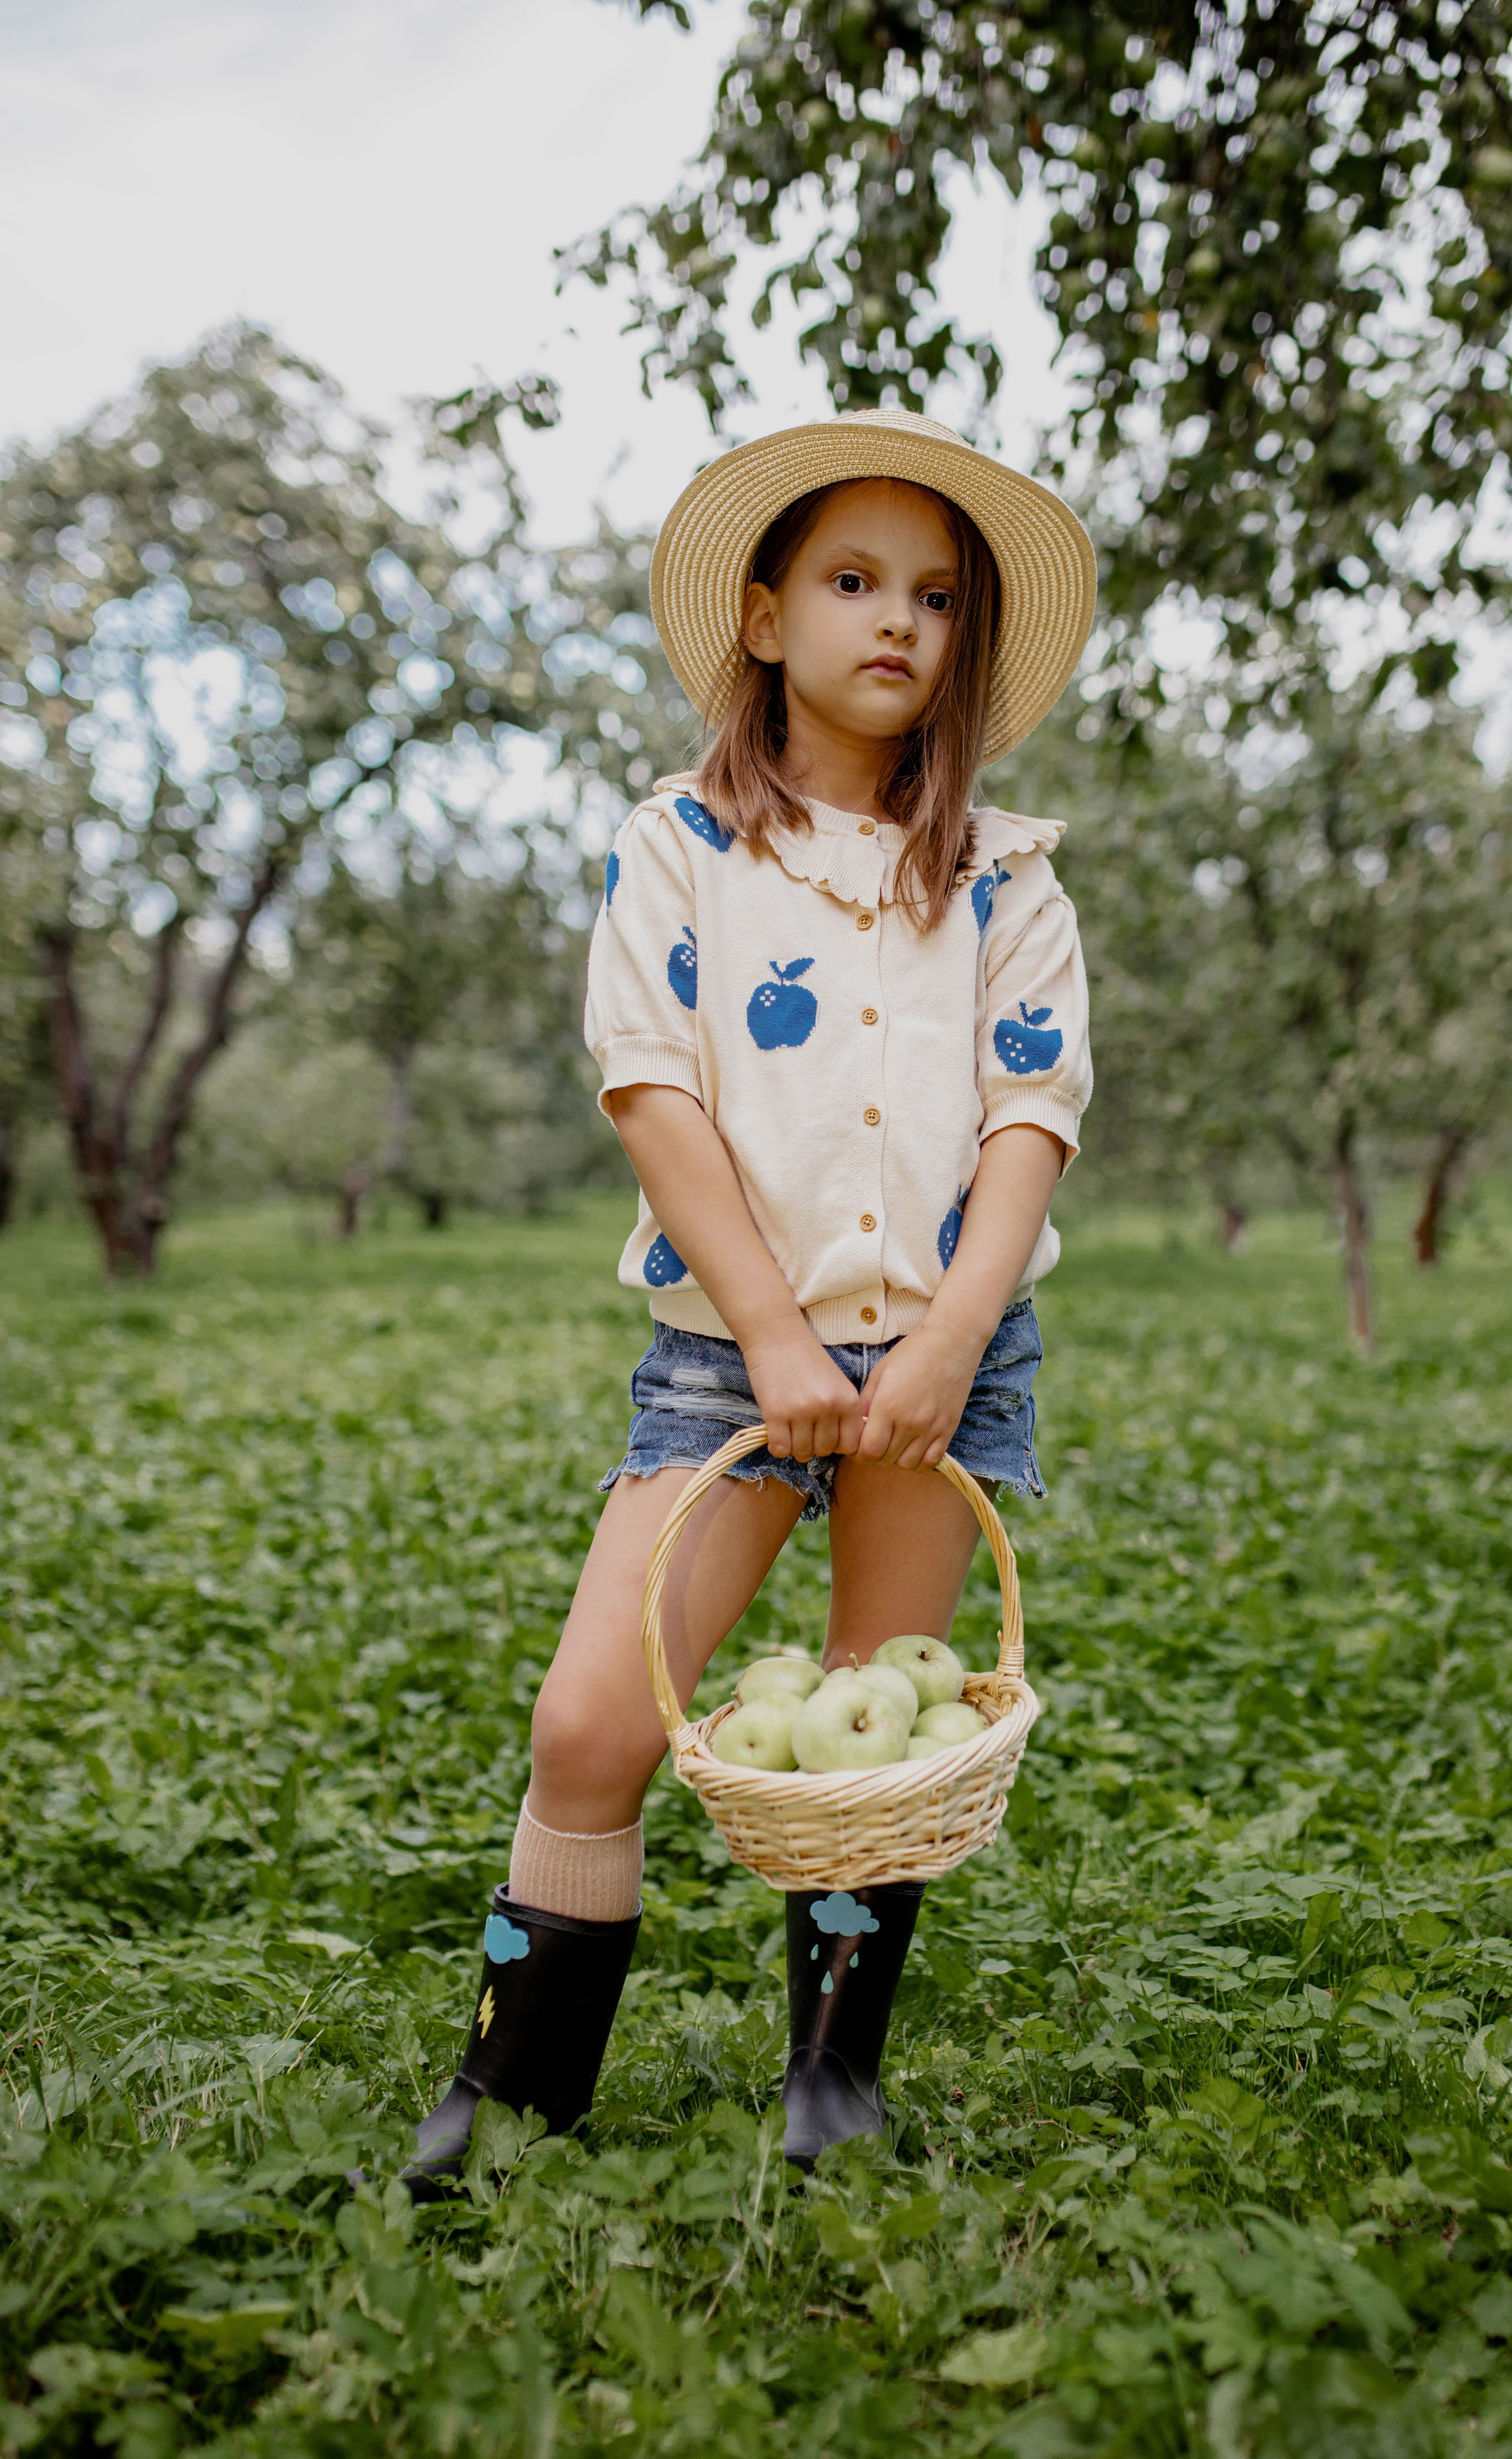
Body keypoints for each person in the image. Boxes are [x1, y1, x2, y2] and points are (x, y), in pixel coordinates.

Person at [404, 409, 1096, 2195]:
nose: (899, 622)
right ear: (768, 617)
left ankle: (833, 2081)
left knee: (880, 1732)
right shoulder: (681, 849)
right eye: (854, 581)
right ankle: (515, 2084)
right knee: (591, 1721)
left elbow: (1033, 1116)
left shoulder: (1007, 879)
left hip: (945, 1352)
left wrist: (942, 1343)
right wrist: (778, 1338)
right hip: (735, 1357)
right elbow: (656, 1095)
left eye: (937, 596)